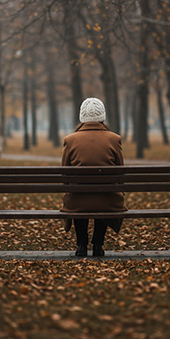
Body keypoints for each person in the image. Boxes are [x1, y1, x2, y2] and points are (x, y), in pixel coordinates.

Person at [60, 97, 127, 257]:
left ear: (82, 117)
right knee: (102, 196)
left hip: (77, 201)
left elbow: (64, 175)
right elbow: (121, 173)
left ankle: (81, 245)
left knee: (79, 196)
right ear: (102, 116)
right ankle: (98, 244)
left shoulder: (70, 140)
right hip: (107, 200)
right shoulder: (114, 139)